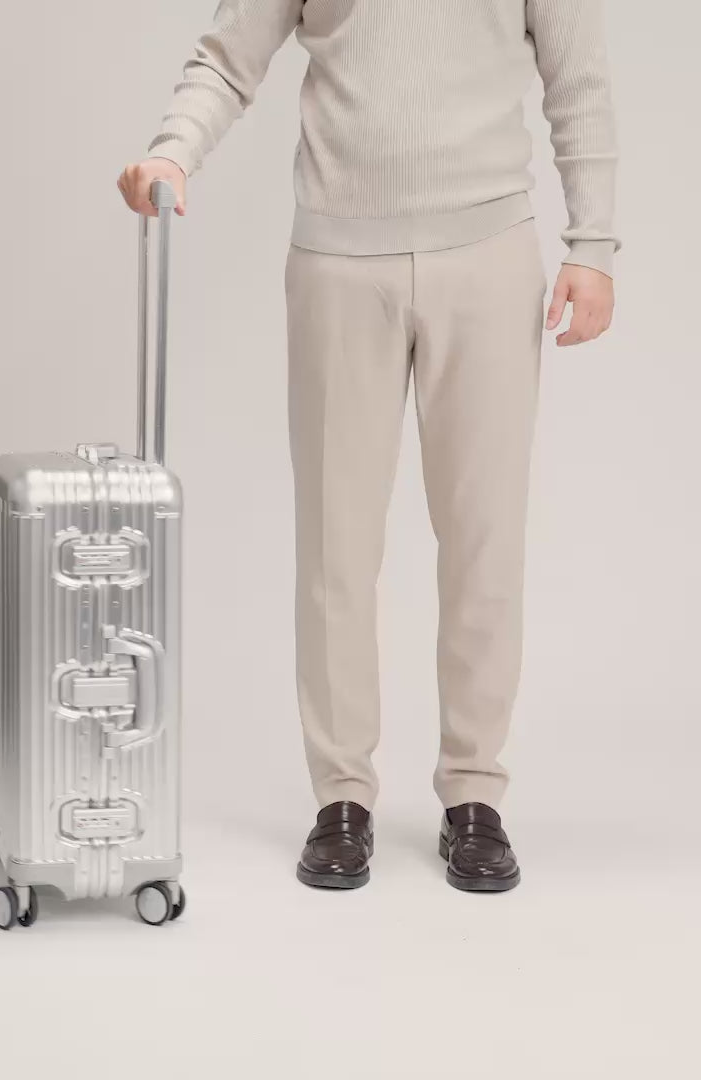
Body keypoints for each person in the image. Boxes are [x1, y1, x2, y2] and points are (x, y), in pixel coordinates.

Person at [119, 0, 618, 893]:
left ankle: (475, 794)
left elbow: (576, 78)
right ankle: (341, 798)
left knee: (485, 542)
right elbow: (229, 58)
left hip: (489, 254)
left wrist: (594, 244)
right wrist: (172, 151)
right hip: (338, 264)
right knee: (335, 547)